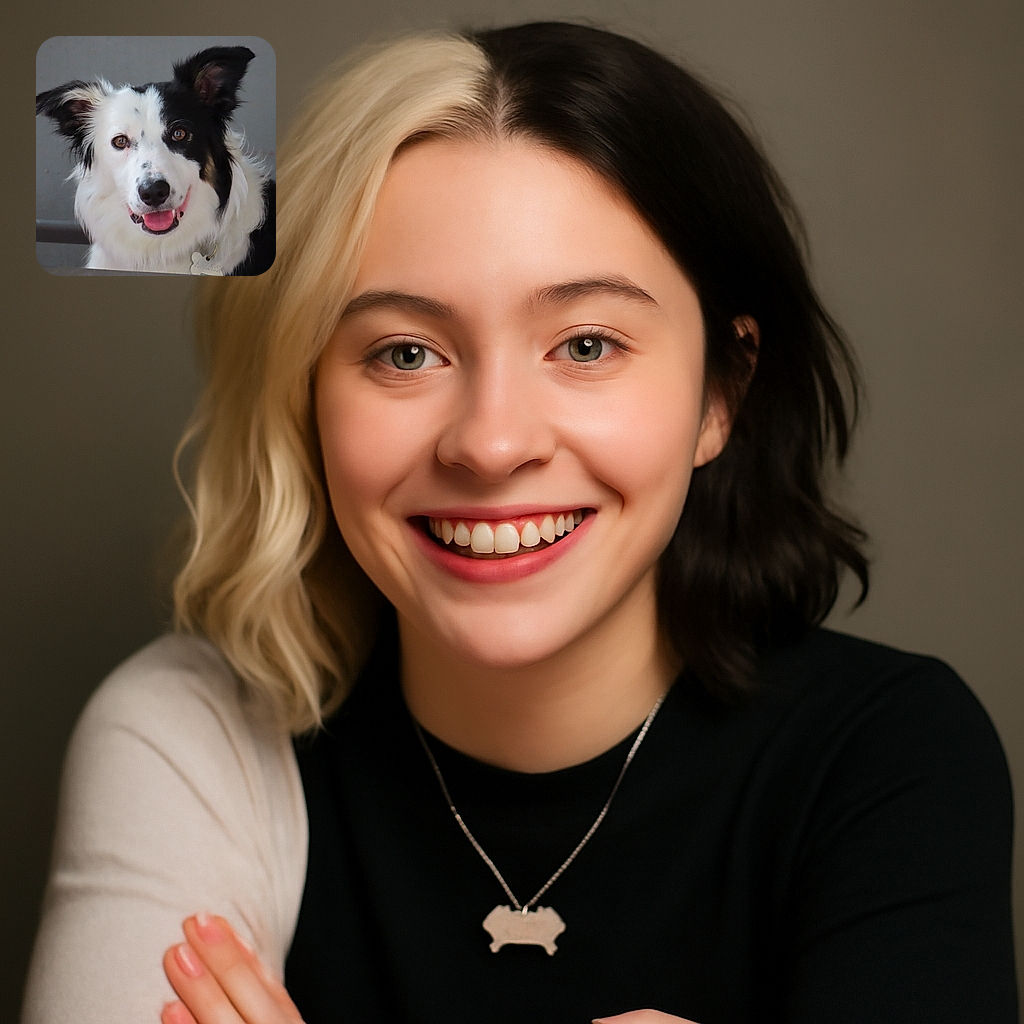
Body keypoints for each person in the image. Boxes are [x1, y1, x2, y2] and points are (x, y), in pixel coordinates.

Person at [22, 22, 1016, 1024]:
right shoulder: (191, 738)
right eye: (404, 353)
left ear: (722, 390)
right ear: (303, 394)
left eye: (586, 343)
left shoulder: (889, 755)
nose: (491, 446)